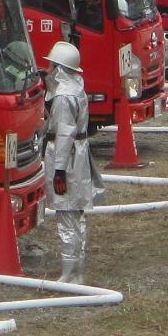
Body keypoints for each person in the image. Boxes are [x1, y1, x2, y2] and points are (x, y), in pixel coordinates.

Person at [42, 40, 100, 284]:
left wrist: (58, 171)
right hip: (79, 155)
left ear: (59, 67)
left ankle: (68, 273)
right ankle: (79, 270)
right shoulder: (77, 88)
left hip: (66, 158)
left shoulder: (64, 97)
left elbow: (64, 132)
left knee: (66, 215)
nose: (48, 69)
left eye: (52, 65)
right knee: (78, 217)